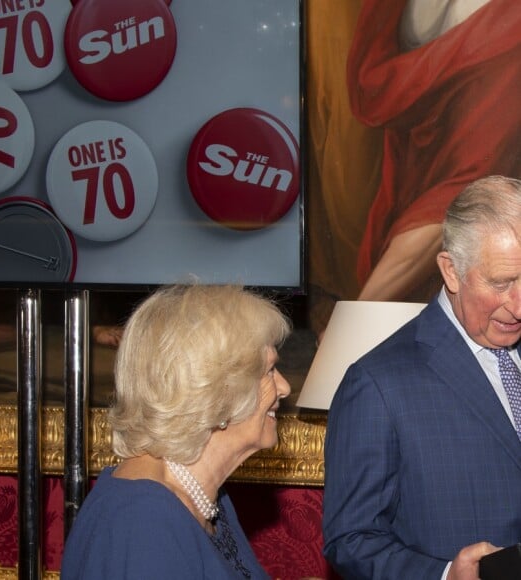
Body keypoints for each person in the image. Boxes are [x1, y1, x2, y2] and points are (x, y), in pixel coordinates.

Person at [323, 175, 521, 579]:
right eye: (501, 283)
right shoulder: (377, 384)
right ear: (450, 270)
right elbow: (350, 538)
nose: (519, 305)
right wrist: (444, 575)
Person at [61, 283, 292, 579]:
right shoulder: (144, 520)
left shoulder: (207, 500)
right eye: (269, 371)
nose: (284, 387)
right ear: (219, 391)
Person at [346, 0, 521, 302]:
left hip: (491, 61)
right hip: (421, 118)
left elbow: (460, 194)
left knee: (459, 196)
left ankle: (362, 313)